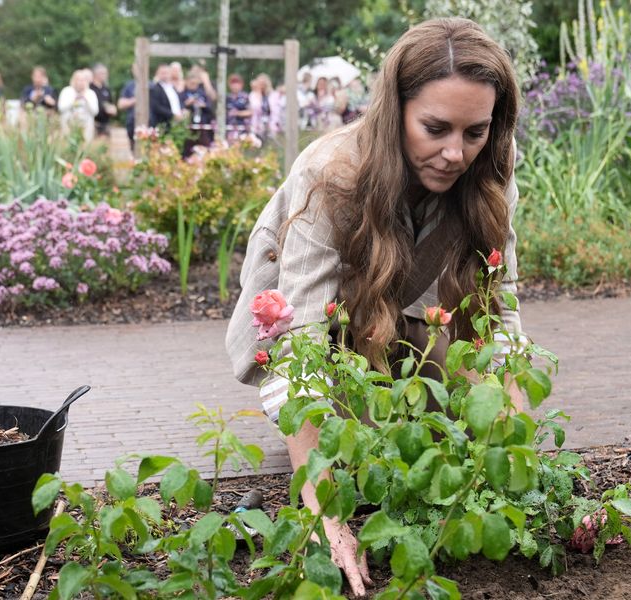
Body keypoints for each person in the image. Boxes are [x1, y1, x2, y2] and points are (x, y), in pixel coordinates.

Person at [225, 18, 525, 597]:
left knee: (447, 412)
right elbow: (301, 341)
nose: (455, 153)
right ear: (395, 111)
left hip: (389, 309)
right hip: (300, 318)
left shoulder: (491, 171)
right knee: (342, 445)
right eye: (434, 128)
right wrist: (326, 515)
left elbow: (501, 316)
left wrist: (513, 463)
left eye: (475, 131)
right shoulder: (331, 173)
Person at [180, 66, 216, 152]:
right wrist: (187, 103)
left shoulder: (203, 93)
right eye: (191, 82)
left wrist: (203, 105)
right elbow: (179, 107)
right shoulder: (182, 93)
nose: (193, 84)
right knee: (188, 149)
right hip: (188, 126)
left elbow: (211, 106)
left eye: (195, 83)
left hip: (203, 126)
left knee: (206, 148)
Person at [57, 69, 99, 141]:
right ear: (73, 80)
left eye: (83, 80)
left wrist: (86, 100)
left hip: (86, 126)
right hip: (69, 125)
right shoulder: (66, 91)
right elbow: (61, 108)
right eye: (78, 80)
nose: (81, 82)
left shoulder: (90, 93)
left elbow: (95, 112)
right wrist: (74, 100)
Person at [91, 64, 117, 137]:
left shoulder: (106, 89)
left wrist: (113, 109)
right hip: (93, 123)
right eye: (103, 73)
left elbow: (111, 103)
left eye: (106, 73)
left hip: (105, 123)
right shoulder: (90, 88)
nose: (105, 75)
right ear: (95, 74)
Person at [226, 73, 251, 139]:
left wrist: (238, 113)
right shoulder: (227, 98)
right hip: (229, 129)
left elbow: (250, 112)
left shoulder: (245, 97)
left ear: (241, 85)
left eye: (237, 83)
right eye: (233, 83)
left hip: (242, 128)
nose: (235, 86)